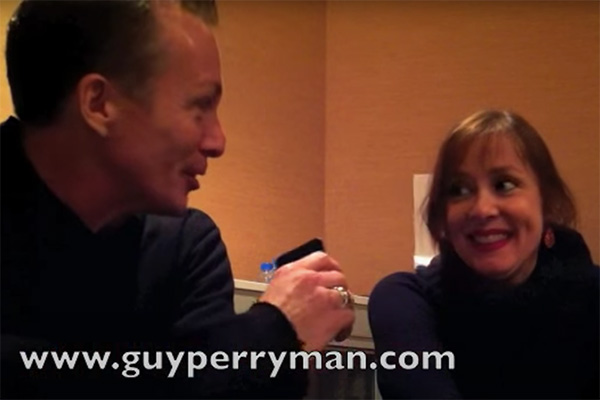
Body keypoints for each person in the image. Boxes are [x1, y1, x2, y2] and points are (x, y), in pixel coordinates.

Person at [1, 1, 355, 398]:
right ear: (99, 104)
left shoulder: (186, 244)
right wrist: (274, 332)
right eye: (199, 106)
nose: (217, 142)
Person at [369, 109, 599, 399]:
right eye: (459, 190)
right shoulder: (405, 303)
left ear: (548, 201)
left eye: (504, 185)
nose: (482, 209)